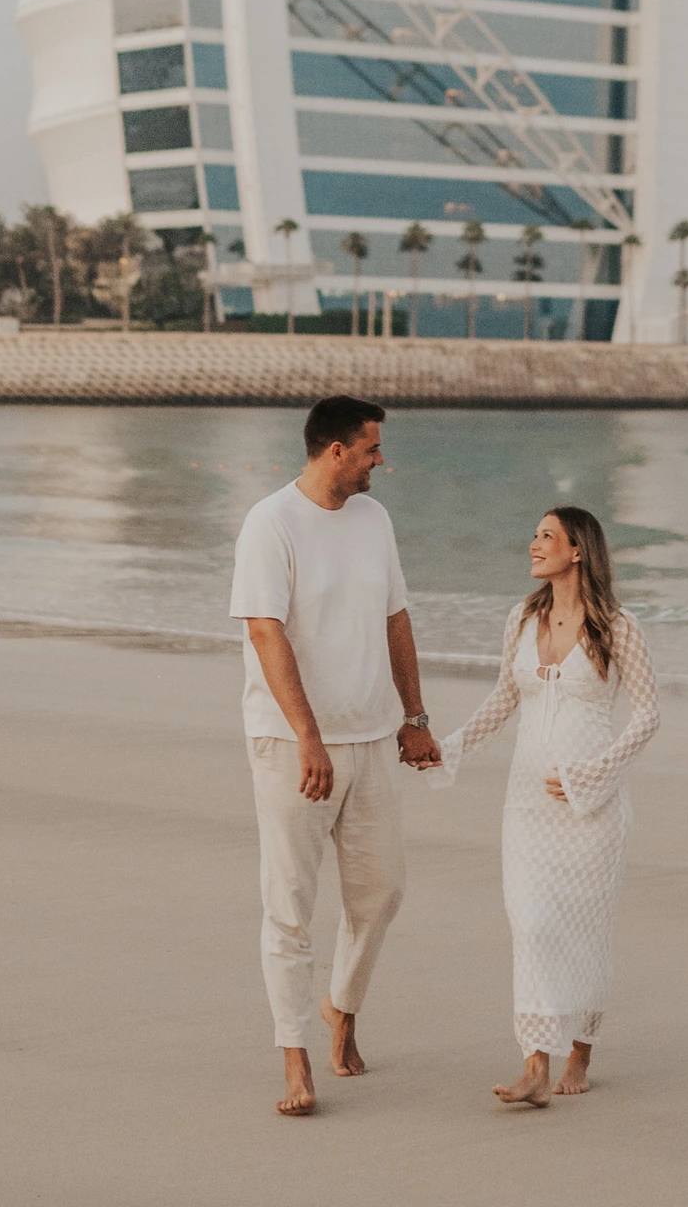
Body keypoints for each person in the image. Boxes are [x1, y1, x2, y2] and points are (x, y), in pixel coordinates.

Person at [229, 394, 442, 1117]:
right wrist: (308, 737)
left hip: (373, 735)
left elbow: (397, 617)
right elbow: (265, 631)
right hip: (293, 745)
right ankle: (295, 1062)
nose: (382, 459)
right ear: (336, 452)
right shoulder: (270, 522)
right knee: (289, 905)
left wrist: (414, 716)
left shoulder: (373, 520)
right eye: (373, 448)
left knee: (381, 892)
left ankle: (340, 1007)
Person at [426, 504, 660, 1106]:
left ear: (577, 549)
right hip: (526, 805)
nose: (533, 545)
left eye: (546, 536)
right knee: (530, 925)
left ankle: (579, 1052)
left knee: (583, 931)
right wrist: (448, 748)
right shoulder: (521, 620)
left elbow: (648, 715)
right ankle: (535, 1063)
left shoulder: (619, 626)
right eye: (533, 534)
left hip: (594, 811)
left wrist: (596, 772)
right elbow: (504, 698)